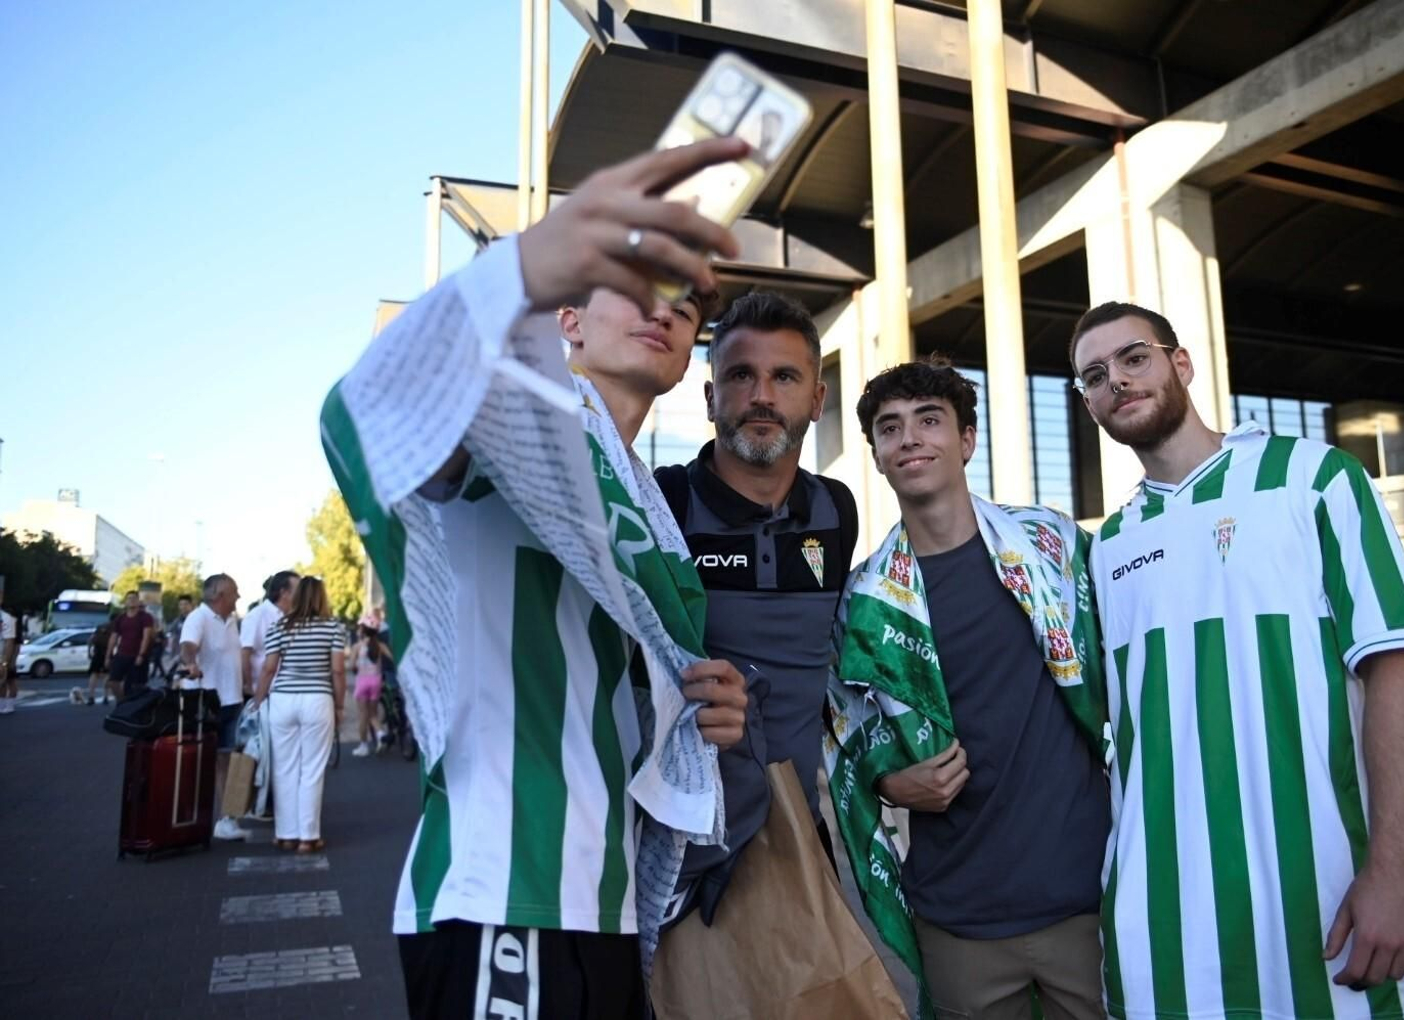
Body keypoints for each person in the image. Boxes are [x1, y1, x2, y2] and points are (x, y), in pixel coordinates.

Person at [321, 138, 754, 1020]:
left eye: (685, 302)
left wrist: (708, 707)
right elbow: (367, 413)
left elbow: (636, 693)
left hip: (613, 901)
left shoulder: (653, 507)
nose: (664, 309)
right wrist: (517, 267)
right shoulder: (519, 414)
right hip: (503, 892)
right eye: (632, 284)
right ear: (566, 318)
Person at [1069, 301, 1404, 1019]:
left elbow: (1398, 665)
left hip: (1328, 905)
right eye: (1093, 375)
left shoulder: (1315, 478)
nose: (1115, 380)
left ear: (1180, 363)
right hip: (1163, 931)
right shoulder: (1109, 546)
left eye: (1133, 358)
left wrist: (1398, 872)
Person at [826, 358, 1108, 1020]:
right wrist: (889, 785)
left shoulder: (1052, 548)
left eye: (930, 421)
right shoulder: (866, 601)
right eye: (891, 429)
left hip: (1086, 902)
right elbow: (841, 736)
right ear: (877, 454)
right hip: (957, 916)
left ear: (967, 440)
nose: (911, 439)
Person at [654, 290, 858, 875]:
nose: (762, 396)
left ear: (818, 400)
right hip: (680, 844)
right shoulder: (664, 506)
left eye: (785, 377)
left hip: (800, 841)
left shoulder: (835, 510)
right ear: (712, 396)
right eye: (741, 375)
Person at [254, 577, 346, 853]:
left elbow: (269, 668)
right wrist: (340, 706)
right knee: (312, 771)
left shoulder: (279, 625)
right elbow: (338, 671)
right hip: (317, 698)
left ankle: (285, 834)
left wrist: (258, 701)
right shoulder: (333, 627)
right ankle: (308, 837)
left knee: (284, 769)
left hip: (282, 700)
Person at [179, 573, 247, 842]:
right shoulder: (199, 617)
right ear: (219, 596)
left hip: (232, 700)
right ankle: (189, 819)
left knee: (227, 760)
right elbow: (187, 646)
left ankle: (227, 819)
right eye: (234, 592)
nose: (238, 597)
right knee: (205, 761)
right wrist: (190, 663)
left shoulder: (231, 620)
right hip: (207, 700)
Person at [241, 572, 299, 702]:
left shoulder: (294, 617)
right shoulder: (257, 616)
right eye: (299, 590)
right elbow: (245, 653)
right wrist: (249, 687)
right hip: (263, 694)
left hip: (289, 693)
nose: (303, 595)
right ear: (284, 592)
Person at [106, 591, 157, 702]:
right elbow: (113, 637)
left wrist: (141, 655)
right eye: (129, 598)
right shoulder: (121, 618)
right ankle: (122, 703)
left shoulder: (145, 617)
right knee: (113, 681)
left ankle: (131, 708)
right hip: (122, 654)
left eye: (134, 598)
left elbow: (146, 637)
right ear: (125, 602)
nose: (132, 600)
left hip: (137, 656)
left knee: (133, 686)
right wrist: (108, 656)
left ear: (139, 601)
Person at [349, 624, 387, 757]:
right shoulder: (379, 646)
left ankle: (363, 746)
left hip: (362, 681)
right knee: (373, 714)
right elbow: (391, 658)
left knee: (363, 716)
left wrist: (356, 668)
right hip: (376, 681)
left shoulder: (357, 647)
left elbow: (352, 665)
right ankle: (380, 734)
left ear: (363, 633)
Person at [85, 616, 113, 705]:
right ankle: (106, 697)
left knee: (94, 675)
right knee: (106, 675)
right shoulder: (114, 628)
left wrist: (89, 652)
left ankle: (91, 696)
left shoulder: (100, 627)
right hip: (107, 653)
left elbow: (90, 640)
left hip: (97, 653)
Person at [0, 591, 16, 715]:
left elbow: (9, 642)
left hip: (1, 656)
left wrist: (4, 662)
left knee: (6, 681)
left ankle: (6, 705)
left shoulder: (6, 618)